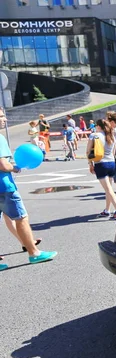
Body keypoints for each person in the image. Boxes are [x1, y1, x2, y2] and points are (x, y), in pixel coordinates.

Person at [0, 108, 57, 269]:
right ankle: (34, 253)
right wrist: (14, 168)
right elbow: (3, 165)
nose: (5, 119)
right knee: (21, 218)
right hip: (4, 186)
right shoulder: (0, 138)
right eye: (1, 116)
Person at [87, 119, 116, 218]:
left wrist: (90, 164)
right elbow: (113, 152)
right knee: (109, 188)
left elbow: (88, 152)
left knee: (108, 189)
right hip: (111, 163)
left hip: (101, 163)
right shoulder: (111, 136)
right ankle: (107, 209)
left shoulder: (94, 135)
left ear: (98, 126)